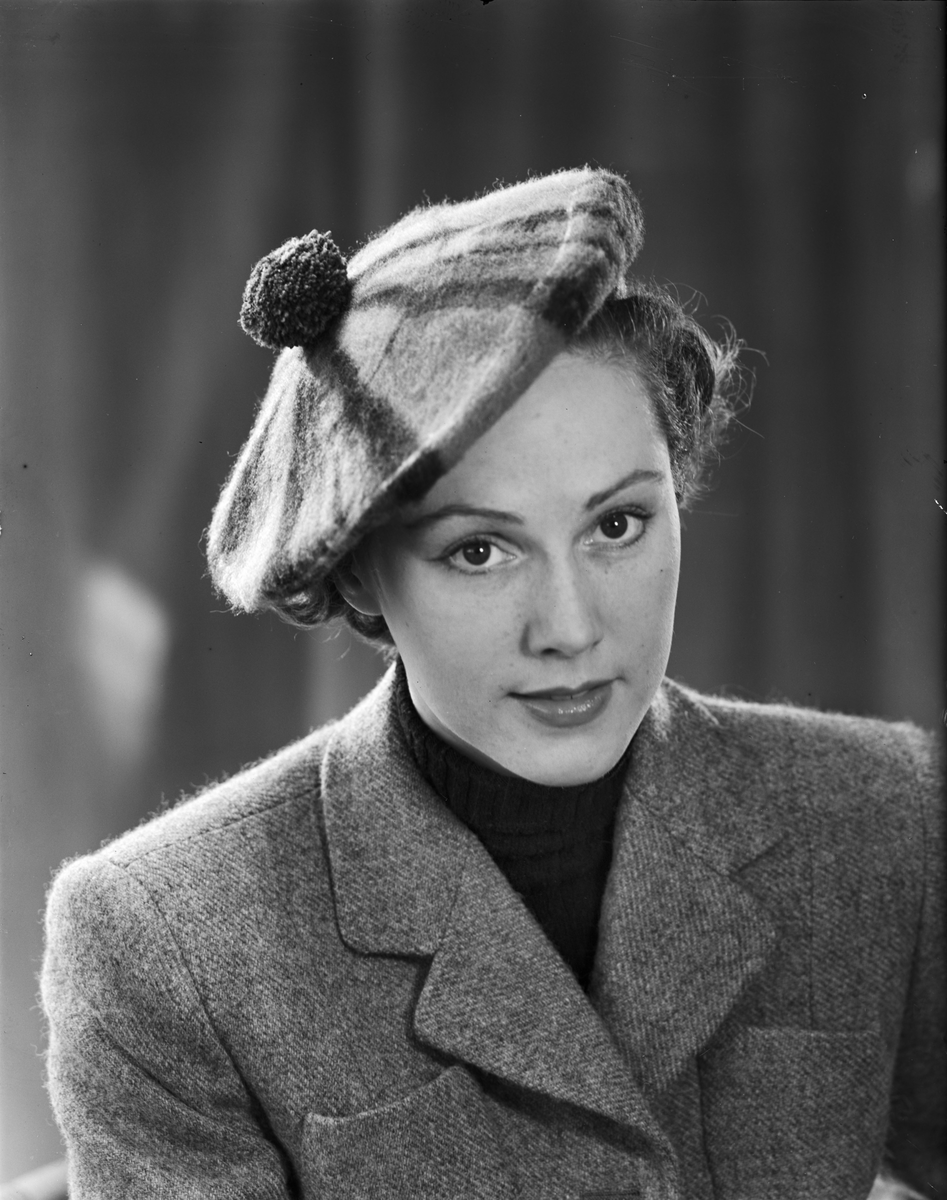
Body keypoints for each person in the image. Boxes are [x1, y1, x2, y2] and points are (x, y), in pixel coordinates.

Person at [42, 168, 944, 1199]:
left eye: (617, 525)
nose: (570, 628)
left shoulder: (889, 814)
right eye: (478, 550)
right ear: (358, 574)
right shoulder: (161, 941)